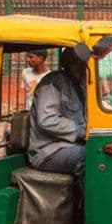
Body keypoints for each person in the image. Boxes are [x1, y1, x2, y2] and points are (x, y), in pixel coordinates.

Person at [28, 45, 91, 175]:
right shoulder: (53, 82)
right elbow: (47, 120)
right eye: (81, 65)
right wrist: (80, 131)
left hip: (70, 146)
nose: (84, 69)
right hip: (49, 150)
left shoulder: (79, 86)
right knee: (93, 157)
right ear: (72, 64)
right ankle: (87, 195)